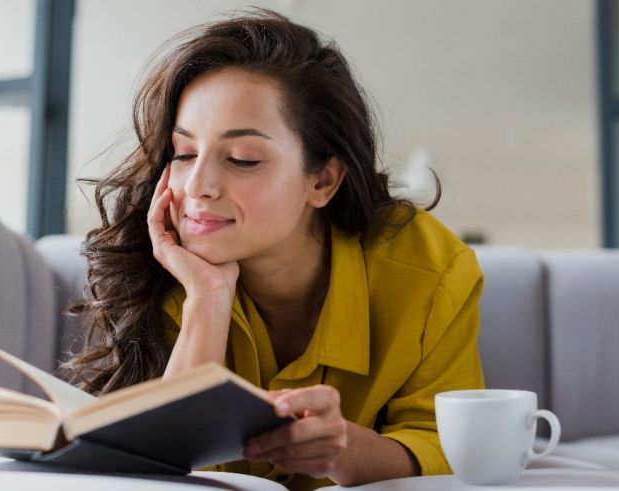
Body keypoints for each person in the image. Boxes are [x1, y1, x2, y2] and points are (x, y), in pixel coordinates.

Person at [64, 8, 484, 490]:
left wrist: (343, 449)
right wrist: (207, 296)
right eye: (183, 154)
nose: (198, 185)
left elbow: (447, 443)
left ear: (322, 179)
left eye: (242, 159)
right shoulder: (164, 262)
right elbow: (164, 462)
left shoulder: (433, 271)